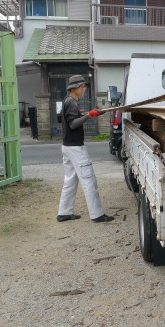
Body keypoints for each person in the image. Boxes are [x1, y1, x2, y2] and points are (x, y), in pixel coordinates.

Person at [57, 75, 115, 223]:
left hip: (67, 146)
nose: (84, 89)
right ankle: (97, 215)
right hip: (76, 148)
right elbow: (73, 124)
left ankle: (63, 213)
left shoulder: (67, 100)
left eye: (84, 87)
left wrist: (85, 113)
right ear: (73, 88)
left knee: (70, 180)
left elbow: (66, 118)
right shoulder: (71, 102)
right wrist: (88, 115)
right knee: (89, 179)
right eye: (81, 87)